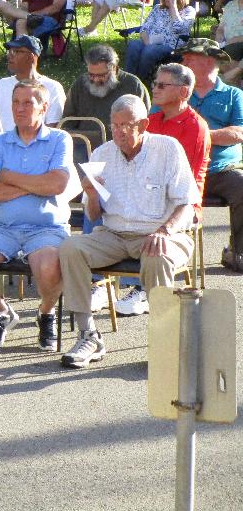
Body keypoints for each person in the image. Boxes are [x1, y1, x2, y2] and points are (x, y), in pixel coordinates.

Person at [58, 95, 198, 368]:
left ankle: (165, 342)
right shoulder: (102, 154)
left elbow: (186, 204)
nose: (120, 131)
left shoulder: (167, 149)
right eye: (115, 125)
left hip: (162, 232)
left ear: (144, 125)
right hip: (114, 233)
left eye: (127, 125)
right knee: (70, 249)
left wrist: (164, 231)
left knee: (157, 255)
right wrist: (90, 193)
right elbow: (94, 216)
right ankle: (88, 334)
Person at [0, 80, 73, 351]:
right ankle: (1, 312)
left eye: (27, 103)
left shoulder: (59, 139)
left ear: (44, 108)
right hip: (3, 227)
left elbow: (56, 185)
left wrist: (8, 178)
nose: (19, 109)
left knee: (49, 267)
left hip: (46, 228)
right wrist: (36, 185)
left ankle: (46, 313)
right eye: (15, 103)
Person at [105, 63, 211, 317]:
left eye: (163, 85)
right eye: (155, 83)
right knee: (99, 207)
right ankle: (99, 283)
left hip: (180, 206)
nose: (155, 88)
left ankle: (141, 287)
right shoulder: (150, 120)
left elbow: (183, 188)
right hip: (146, 197)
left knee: (143, 214)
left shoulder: (195, 127)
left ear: (183, 92)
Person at [177, 38, 243, 273]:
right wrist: (216, 135)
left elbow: (238, 133)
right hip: (181, 170)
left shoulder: (234, 95)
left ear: (208, 61)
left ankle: (238, 253)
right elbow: (162, 129)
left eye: (188, 57)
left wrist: (199, 133)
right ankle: (164, 251)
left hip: (220, 171)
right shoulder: (175, 90)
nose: (182, 61)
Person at [61, 44, 149, 140]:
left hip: (123, 144)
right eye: (91, 75)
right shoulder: (80, 84)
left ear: (114, 68)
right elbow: (67, 122)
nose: (95, 80)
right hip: (84, 146)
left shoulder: (133, 86)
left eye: (101, 75)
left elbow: (144, 125)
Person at [124, 0, 196, 82]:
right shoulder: (158, 8)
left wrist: (173, 6)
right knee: (133, 45)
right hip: (149, 42)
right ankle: (127, 79)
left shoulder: (188, 11)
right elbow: (145, 28)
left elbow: (179, 28)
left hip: (171, 45)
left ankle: (138, 81)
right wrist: (148, 43)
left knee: (149, 51)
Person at [0, 36, 66, 130]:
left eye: (15, 52)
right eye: (9, 51)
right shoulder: (1, 85)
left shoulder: (52, 87)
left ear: (30, 57)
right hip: (2, 143)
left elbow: (53, 128)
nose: (9, 56)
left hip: (38, 143)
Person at [213, 0, 243, 85]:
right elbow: (221, 27)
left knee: (233, 49)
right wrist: (219, 35)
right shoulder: (230, 5)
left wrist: (236, 40)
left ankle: (234, 78)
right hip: (227, 43)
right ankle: (236, 84)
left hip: (237, 43)